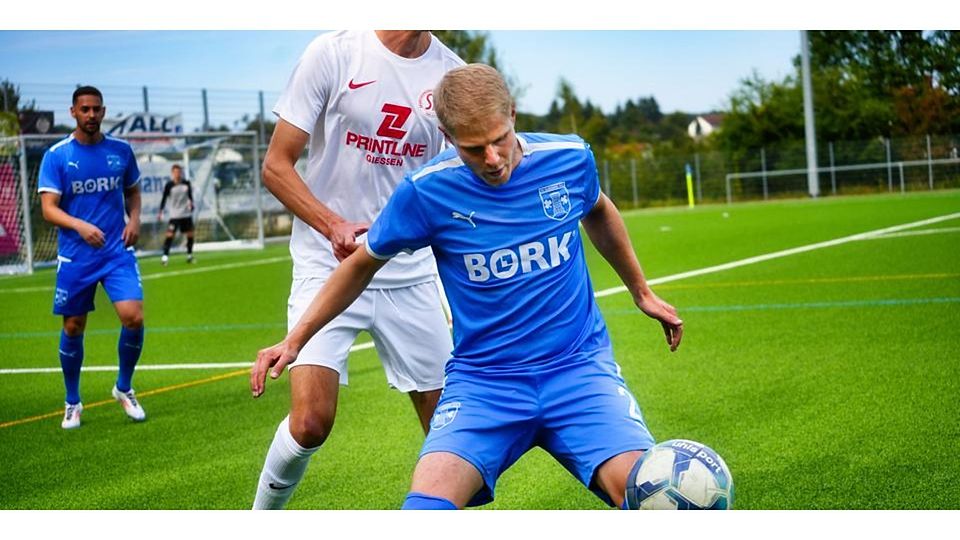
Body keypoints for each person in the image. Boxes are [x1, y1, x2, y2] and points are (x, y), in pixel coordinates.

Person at [251, 63, 684, 510]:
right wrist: (296, 339)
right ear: (446, 134)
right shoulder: (426, 192)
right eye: (474, 149)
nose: (493, 160)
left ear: (513, 113)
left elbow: (597, 208)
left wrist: (641, 291)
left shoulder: (569, 158)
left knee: (650, 498)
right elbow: (361, 264)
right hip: (484, 386)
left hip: (578, 373)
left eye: (499, 140)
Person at [250, 31, 464, 509]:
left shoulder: (452, 73)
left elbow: (460, 173)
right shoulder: (334, 52)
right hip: (326, 262)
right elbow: (276, 166)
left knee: (450, 430)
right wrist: (332, 224)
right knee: (310, 422)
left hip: (410, 272)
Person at [38, 86, 147, 429]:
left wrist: (135, 219)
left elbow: (132, 191)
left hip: (116, 251)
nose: (91, 115)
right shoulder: (57, 155)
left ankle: (124, 388)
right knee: (73, 326)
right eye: (84, 109)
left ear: (103, 111)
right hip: (76, 256)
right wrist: (80, 226)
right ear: (73, 112)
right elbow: (48, 209)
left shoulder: (120, 150)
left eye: (96, 109)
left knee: (133, 317)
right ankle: (72, 401)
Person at [158, 163, 195, 265]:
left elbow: (190, 197)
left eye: (179, 172)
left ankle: (190, 255)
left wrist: (192, 204)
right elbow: (164, 199)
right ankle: (165, 258)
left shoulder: (186, 183)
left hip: (186, 214)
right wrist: (160, 211)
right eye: (175, 172)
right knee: (170, 235)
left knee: (190, 234)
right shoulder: (169, 185)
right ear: (172, 173)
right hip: (175, 215)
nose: (177, 174)